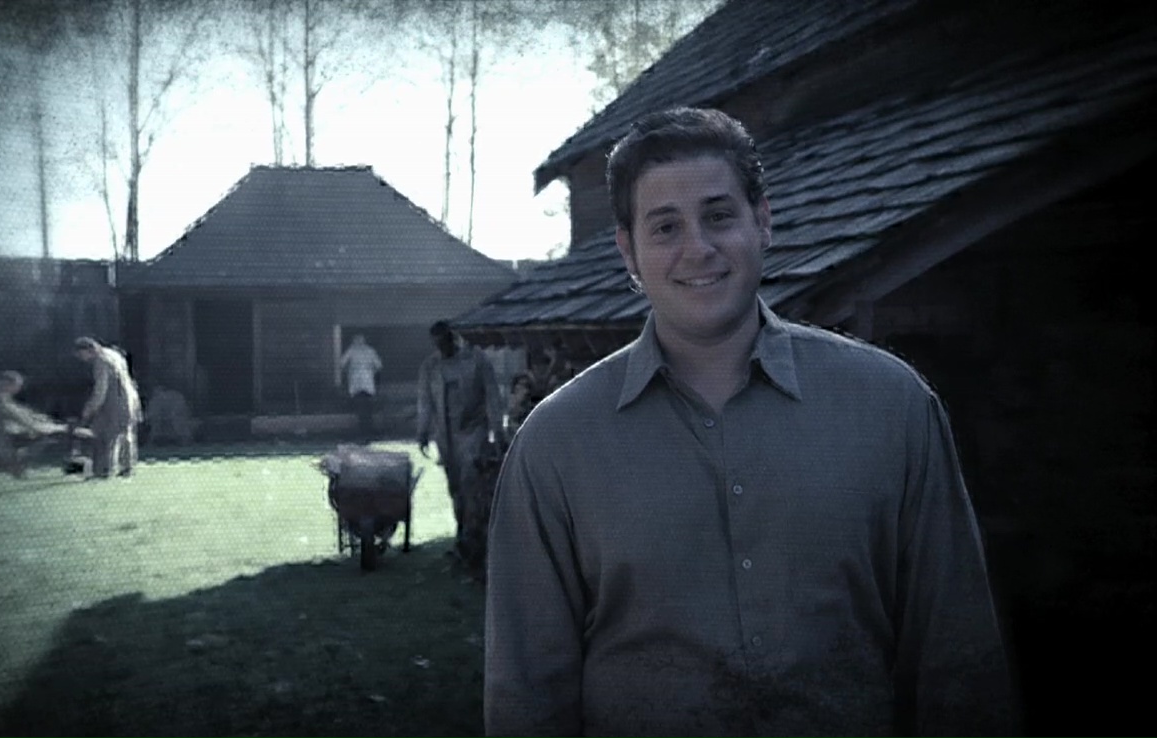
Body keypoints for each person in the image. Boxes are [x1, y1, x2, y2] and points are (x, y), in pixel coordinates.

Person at [485, 108, 1015, 737]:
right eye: (665, 227)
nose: (698, 249)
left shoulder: (893, 407)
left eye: (719, 216)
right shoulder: (555, 445)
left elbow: (957, 657)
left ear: (762, 221)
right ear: (629, 252)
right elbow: (527, 693)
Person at [416, 320, 505, 560]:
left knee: (471, 484)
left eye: (444, 341)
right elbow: (425, 400)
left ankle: (473, 539)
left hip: (473, 432)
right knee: (455, 487)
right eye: (437, 343)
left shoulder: (476, 361)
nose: (441, 347)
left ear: (453, 338)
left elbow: (492, 396)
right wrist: (422, 431)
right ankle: (462, 535)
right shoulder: (431, 366)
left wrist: (498, 431)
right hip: (445, 436)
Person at [0, 370, 72, 477]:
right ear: (8, 383)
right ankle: (15, 462)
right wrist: (56, 427)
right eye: (17, 386)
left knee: (30, 432)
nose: (18, 390)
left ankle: (14, 462)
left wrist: (37, 417)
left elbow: (14, 408)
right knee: (40, 435)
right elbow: (17, 416)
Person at [74, 336, 142, 479]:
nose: (82, 359)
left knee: (107, 436)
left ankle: (106, 469)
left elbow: (101, 389)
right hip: (130, 398)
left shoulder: (101, 362)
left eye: (81, 355)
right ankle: (127, 467)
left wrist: (90, 408)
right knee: (126, 434)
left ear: (89, 350)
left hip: (114, 402)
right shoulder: (113, 354)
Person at [338, 333, 383, 442]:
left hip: (356, 384)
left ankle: (363, 430)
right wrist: (371, 372)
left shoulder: (351, 350)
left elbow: (342, 364)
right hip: (368, 384)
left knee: (360, 407)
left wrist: (348, 371)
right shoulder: (370, 351)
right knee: (368, 407)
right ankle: (368, 429)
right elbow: (379, 366)